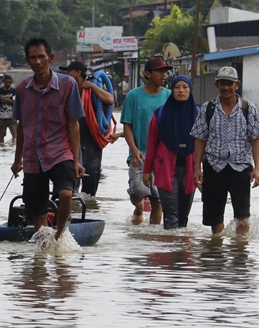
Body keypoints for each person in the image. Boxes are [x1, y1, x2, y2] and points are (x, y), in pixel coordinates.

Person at [11, 38, 86, 241]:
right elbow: (21, 127)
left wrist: (77, 160)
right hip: (33, 157)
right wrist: (17, 160)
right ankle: (42, 257)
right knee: (38, 212)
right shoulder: (22, 89)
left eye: (41, 57)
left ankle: (60, 237)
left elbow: (73, 124)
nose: (37, 61)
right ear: (27, 60)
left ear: (50, 58)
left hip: (61, 152)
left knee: (66, 194)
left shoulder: (67, 85)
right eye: (33, 58)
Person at [191, 66, 259, 235]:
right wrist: (197, 168)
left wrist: (257, 168)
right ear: (217, 85)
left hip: (241, 168)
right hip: (214, 167)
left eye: (230, 83)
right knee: (214, 218)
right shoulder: (207, 109)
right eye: (222, 83)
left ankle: (239, 253)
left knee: (243, 216)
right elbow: (200, 140)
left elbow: (256, 140)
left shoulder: (248, 109)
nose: (226, 87)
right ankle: (216, 254)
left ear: (237, 85)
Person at [120, 56, 172, 225]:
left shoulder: (170, 96)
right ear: (148, 74)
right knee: (136, 192)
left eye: (165, 71)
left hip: (162, 157)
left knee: (158, 199)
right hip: (139, 155)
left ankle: (152, 238)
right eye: (159, 71)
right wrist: (134, 149)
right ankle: (139, 207)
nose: (163, 75)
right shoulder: (133, 96)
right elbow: (127, 125)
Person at [142, 75, 199, 230]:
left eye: (185, 87)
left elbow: (204, 145)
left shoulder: (199, 116)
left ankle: (181, 250)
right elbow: (151, 145)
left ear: (190, 90)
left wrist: (203, 170)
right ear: (172, 90)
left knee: (183, 217)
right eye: (177, 87)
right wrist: (146, 171)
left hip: (190, 169)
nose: (181, 90)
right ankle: (170, 249)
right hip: (165, 168)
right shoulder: (160, 115)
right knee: (171, 214)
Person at [59, 61, 114, 197]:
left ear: (78, 73)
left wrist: (90, 86)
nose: (66, 74)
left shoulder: (92, 91)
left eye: (69, 71)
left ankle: (88, 213)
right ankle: (71, 211)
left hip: (91, 142)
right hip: (71, 142)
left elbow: (110, 100)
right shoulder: (65, 90)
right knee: (70, 185)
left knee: (90, 185)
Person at [0, 72, 17, 145]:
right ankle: (2, 147)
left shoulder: (14, 91)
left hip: (12, 117)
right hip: (1, 117)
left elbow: (18, 103)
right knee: (1, 135)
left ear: (12, 82)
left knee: (14, 132)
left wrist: (8, 100)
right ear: (3, 82)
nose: (8, 84)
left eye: (9, 82)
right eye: (6, 82)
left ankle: (13, 145)